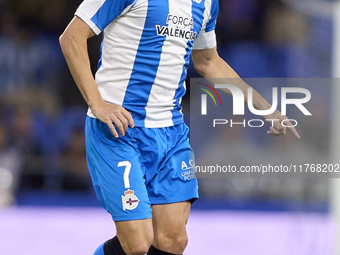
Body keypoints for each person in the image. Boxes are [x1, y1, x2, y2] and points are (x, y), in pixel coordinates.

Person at [59, 0, 300, 254]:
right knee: (138, 244)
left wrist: (264, 107)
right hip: (119, 130)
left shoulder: (207, 3)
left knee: (173, 241)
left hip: (170, 134)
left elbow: (208, 61)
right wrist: (97, 103)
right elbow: (71, 38)